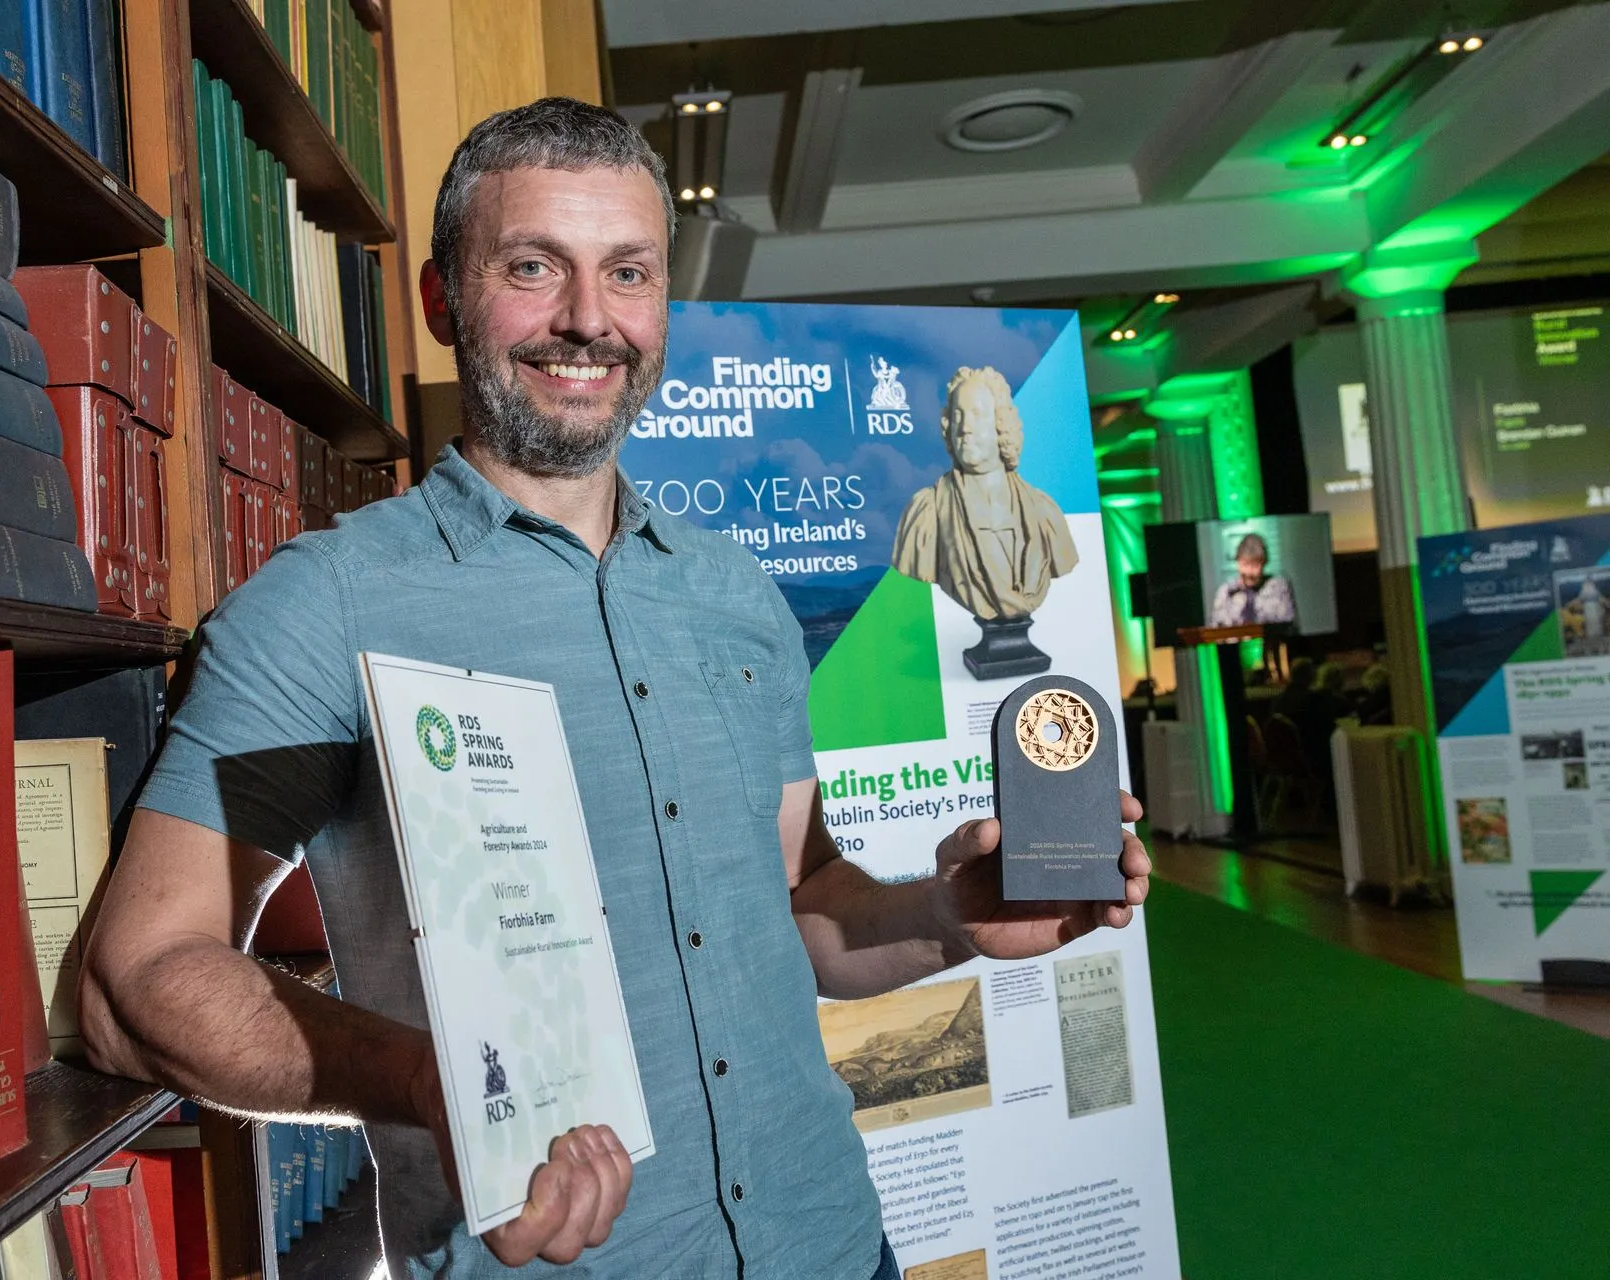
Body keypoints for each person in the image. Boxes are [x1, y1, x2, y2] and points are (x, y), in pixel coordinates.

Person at [75, 98, 1151, 1280]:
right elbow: (136, 980)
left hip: (837, 1244)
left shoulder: (739, 594)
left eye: (627, 273)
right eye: (534, 266)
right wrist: (425, 1078)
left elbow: (802, 915)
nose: (589, 319)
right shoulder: (323, 604)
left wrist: (956, 911)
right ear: (443, 300)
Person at [891, 366, 1078, 622]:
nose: (965, 428)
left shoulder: (1044, 512)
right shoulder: (926, 513)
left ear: (1001, 425)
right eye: (958, 416)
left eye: (978, 415)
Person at [1208, 532, 1296, 626]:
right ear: (1237, 562)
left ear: (1264, 563)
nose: (1249, 572)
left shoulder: (1278, 587)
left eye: (1255, 565)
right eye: (1245, 564)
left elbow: (1288, 624)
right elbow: (1215, 627)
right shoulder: (1225, 591)